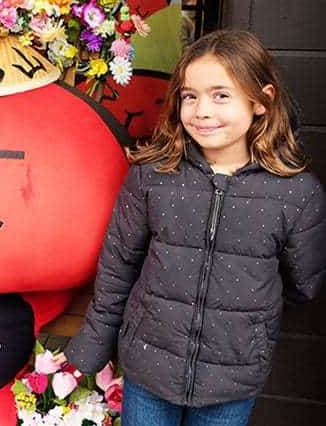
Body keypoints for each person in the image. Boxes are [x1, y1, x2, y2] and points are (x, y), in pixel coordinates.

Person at [62, 30, 326, 426]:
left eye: (221, 95)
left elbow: (301, 284)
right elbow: (119, 266)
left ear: (261, 101)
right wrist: (95, 342)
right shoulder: (153, 176)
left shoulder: (297, 192)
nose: (202, 111)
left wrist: (244, 316)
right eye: (190, 96)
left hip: (232, 375)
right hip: (149, 363)